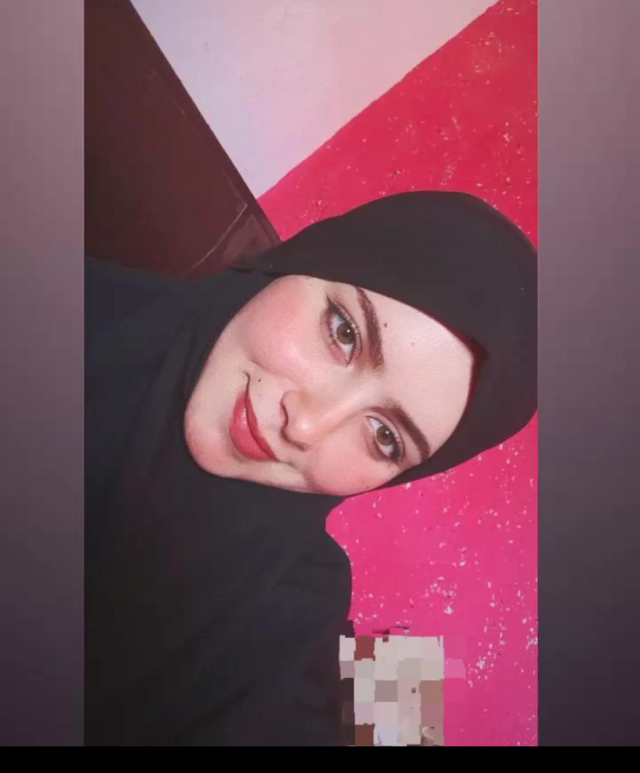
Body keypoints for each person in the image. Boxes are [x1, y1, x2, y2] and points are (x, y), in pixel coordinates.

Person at [85, 191, 537, 746]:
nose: (306, 426)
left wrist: (400, 723)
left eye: (385, 436)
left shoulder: (304, 598)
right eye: (344, 332)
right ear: (298, 259)